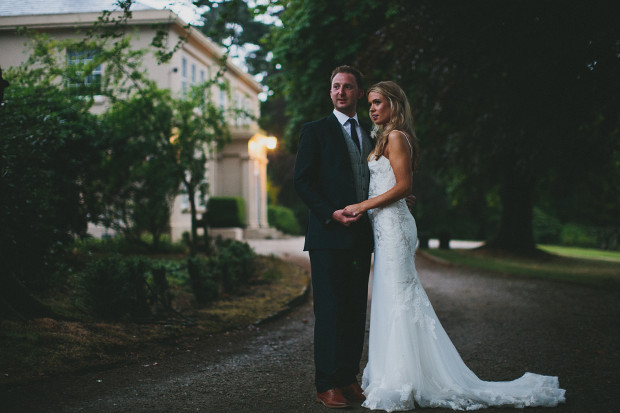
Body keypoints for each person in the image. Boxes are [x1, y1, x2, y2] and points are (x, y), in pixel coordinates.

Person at [343, 81, 566, 411]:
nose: (372, 108)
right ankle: (396, 372)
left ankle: (404, 377)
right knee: (391, 296)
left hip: (395, 229)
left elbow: (404, 186)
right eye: (371, 103)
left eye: (378, 102)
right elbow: (393, 184)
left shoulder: (396, 137)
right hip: (387, 226)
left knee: (399, 295)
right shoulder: (385, 138)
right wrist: (388, 198)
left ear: (393, 104)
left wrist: (363, 205)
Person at [294, 66, 415, 409]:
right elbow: (302, 181)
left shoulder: (372, 131)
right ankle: (326, 383)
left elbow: (381, 176)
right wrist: (331, 212)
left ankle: (347, 378)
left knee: (354, 311)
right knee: (330, 311)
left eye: (348, 87)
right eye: (335, 86)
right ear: (330, 91)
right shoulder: (315, 131)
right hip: (328, 236)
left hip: (363, 238)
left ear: (359, 94)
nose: (341, 91)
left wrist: (399, 195)